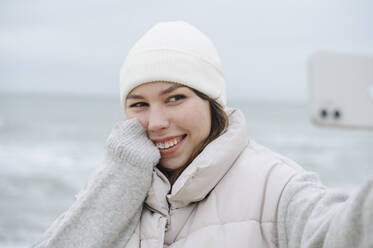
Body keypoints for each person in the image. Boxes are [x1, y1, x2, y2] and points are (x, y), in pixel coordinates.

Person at [33, 21, 373, 248]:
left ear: (212, 103)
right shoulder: (112, 184)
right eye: (139, 104)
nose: (155, 122)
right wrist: (117, 182)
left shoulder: (276, 184)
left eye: (175, 98)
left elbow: (340, 233)